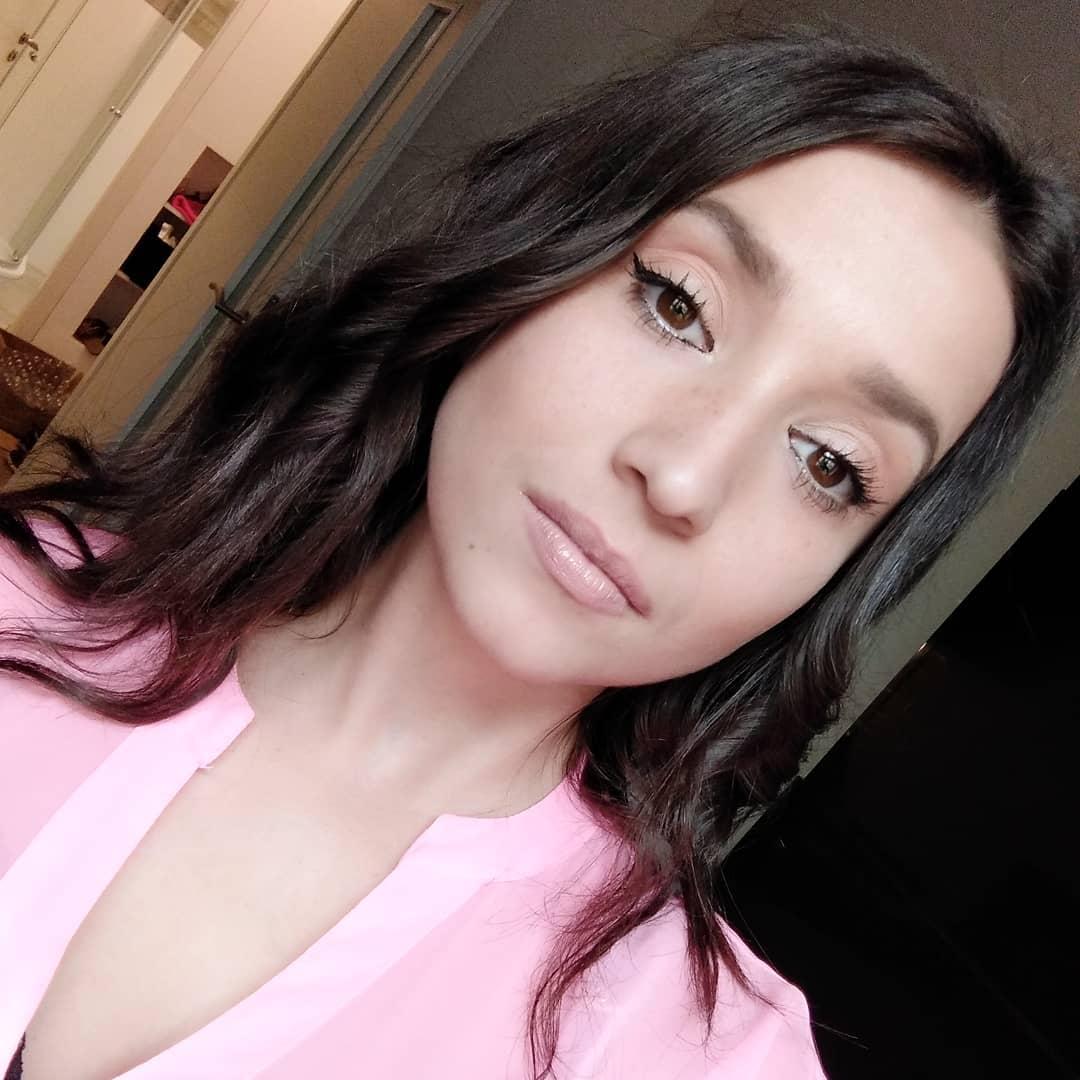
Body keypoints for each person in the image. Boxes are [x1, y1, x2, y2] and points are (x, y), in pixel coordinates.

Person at [1, 22, 1077, 1080]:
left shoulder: (698, 1056)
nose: (683, 476)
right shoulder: (22, 596)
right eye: (677, 305)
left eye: (830, 464)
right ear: (533, 252)